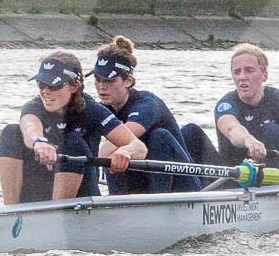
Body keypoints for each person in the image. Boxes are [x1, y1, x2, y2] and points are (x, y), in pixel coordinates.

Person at [0, 51, 141, 204]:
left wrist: (125, 151)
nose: (45, 91)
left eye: (54, 85)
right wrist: (39, 141)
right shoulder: (34, 106)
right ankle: (10, 210)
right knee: (10, 132)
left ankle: (57, 213)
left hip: (81, 196)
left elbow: (138, 146)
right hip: (39, 190)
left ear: (73, 86)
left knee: (72, 141)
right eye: (41, 84)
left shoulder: (91, 109)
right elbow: (30, 127)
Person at [90, 36, 210, 193]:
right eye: (97, 80)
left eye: (109, 81)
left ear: (128, 81)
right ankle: (116, 203)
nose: (101, 87)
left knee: (156, 136)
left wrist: (89, 160)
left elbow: (123, 137)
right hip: (143, 181)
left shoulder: (147, 103)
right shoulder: (102, 109)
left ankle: (156, 204)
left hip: (182, 186)